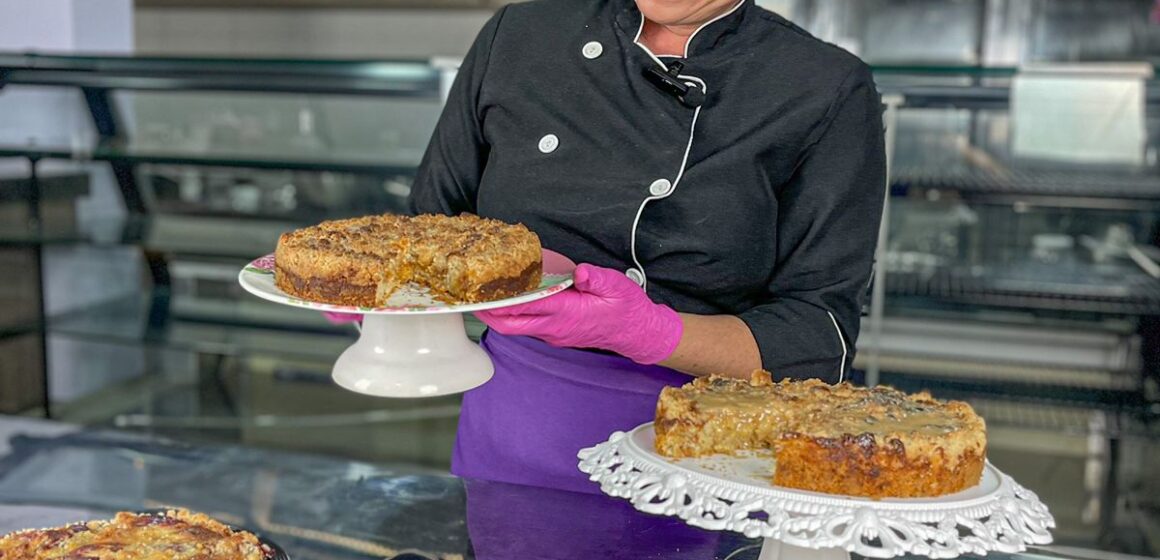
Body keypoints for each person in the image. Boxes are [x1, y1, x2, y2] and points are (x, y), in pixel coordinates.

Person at [334, 0, 886, 493]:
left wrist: (645, 331)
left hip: (705, 446)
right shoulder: (521, 33)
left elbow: (818, 335)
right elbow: (427, 229)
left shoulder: (824, 85)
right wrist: (386, 306)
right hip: (517, 426)